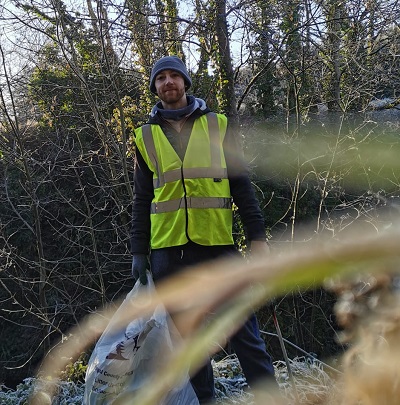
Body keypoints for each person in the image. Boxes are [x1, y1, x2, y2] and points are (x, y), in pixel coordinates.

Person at [130, 55, 277, 403]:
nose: (168, 82)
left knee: (246, 334)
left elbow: (242, 185)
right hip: (169, 253)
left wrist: (257, 238)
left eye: (174, 76)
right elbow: (140, 199)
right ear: (154, 87)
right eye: (160, 78)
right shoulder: (144, 137)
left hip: (217, 246)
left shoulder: (219, 126)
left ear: (185, 83)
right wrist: (139, 251)